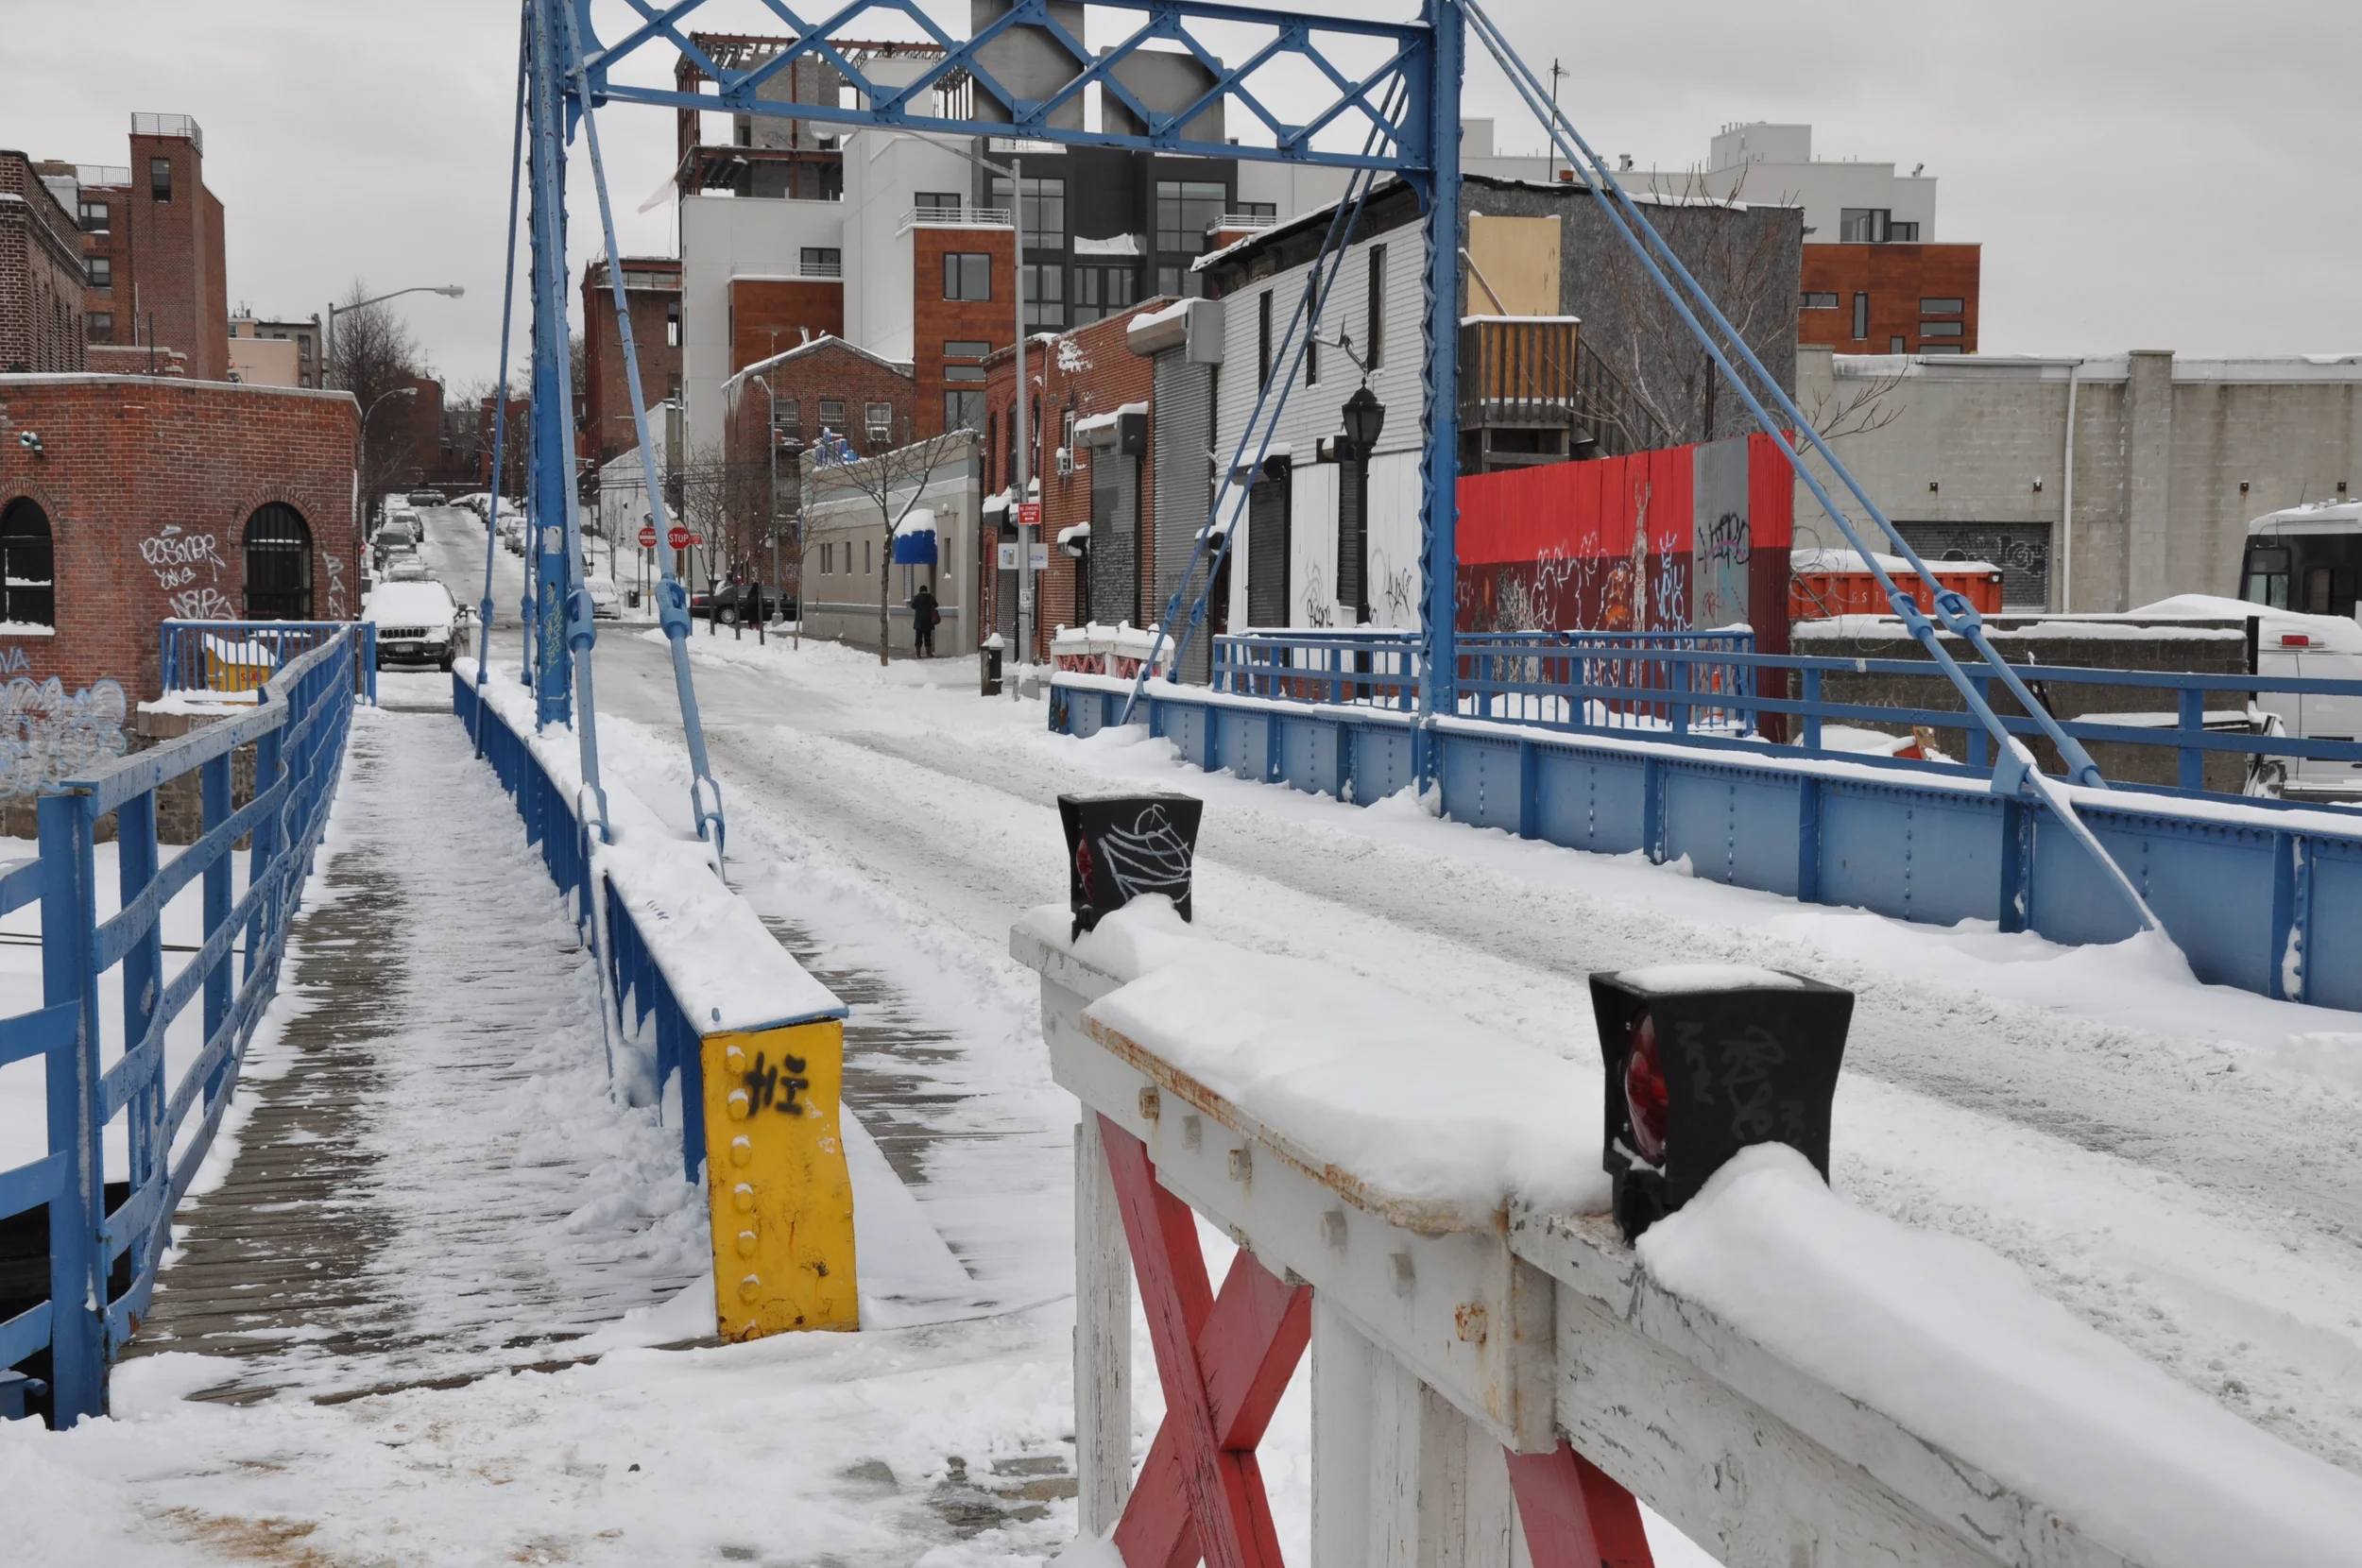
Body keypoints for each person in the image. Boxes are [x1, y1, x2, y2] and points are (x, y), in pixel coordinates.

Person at [910, 582, 940, 658]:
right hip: (928, 621)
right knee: (927, 637)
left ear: (920, 590)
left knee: (918, 638)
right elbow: (936, 605)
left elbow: (912, 606)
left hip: (919, 621)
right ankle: (928, 653)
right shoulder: (930, 597)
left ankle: (918, 654)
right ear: (926, 590)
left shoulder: (917, 597)